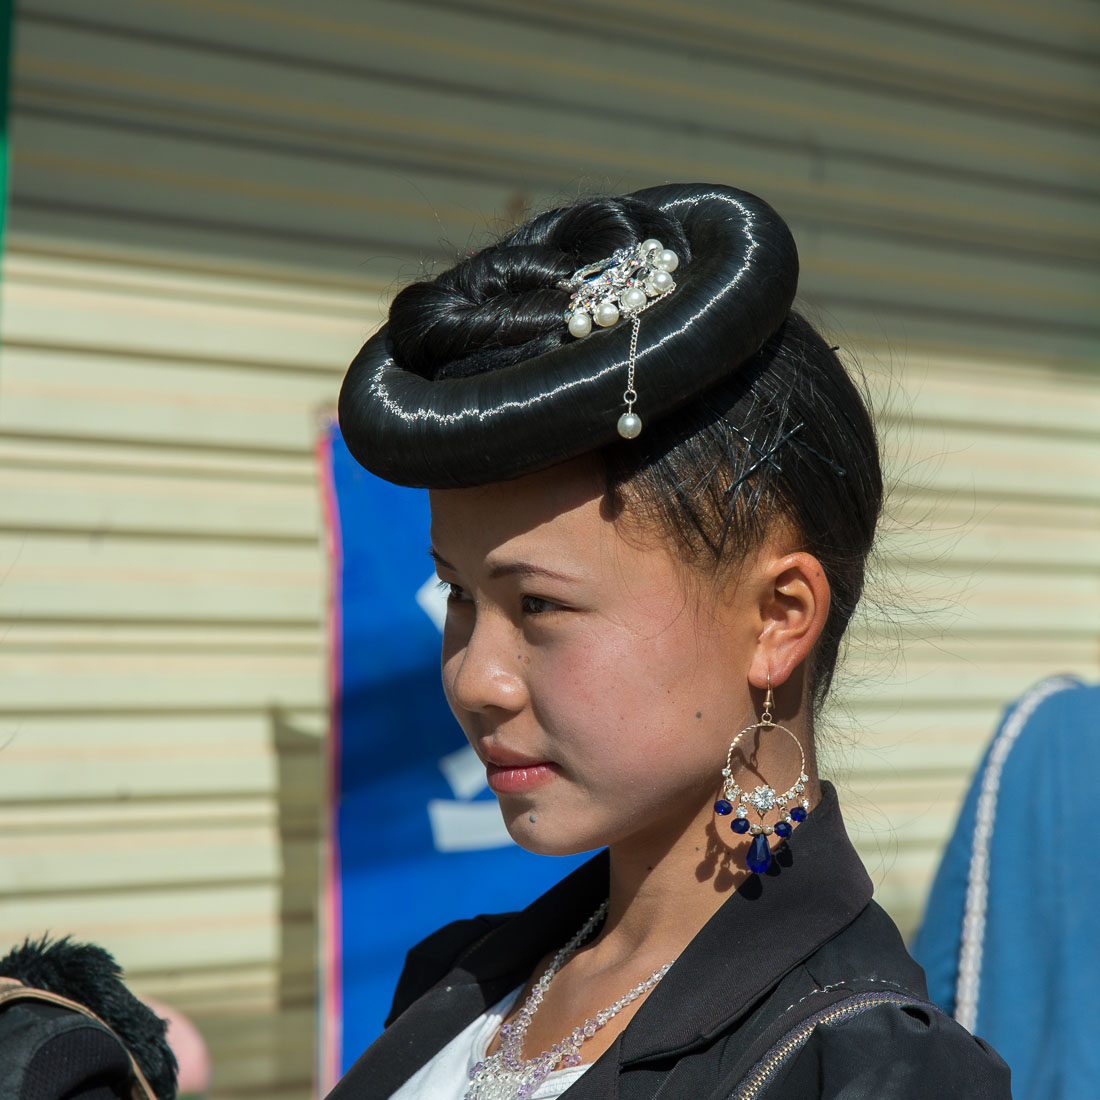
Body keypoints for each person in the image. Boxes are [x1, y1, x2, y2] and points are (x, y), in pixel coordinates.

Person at [328, 183, 1011, 1099]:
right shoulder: (460, 982)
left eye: (538, 606)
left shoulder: (861, 1068)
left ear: (777, 618)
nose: (476, 680)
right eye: (456, 594)